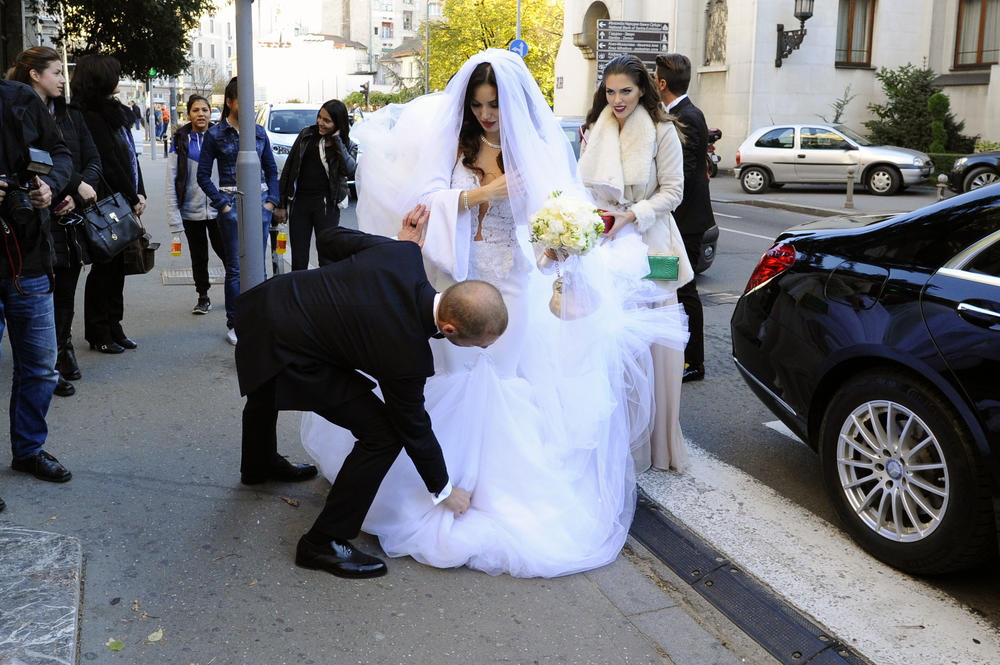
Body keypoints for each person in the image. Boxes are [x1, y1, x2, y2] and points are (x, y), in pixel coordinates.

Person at [300, 49, 686, 578]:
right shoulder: (457, 147)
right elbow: (426, 200)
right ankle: (439, 484)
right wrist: (485, 191)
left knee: (507, 384)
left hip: (516, 289)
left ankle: (498, 489)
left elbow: (552, 223)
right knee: (448, 379)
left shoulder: (538, 151)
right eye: (479, 105)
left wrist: (560, 245)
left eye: (494, 106)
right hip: (461, 285)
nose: (486, 115)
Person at [237, 207, 506, 578]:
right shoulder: (408, 354)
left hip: (266, 304)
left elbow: (329, 237)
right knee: (382, 435)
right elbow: (413, 426)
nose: (485, 350)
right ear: (448, 328)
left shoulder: (402, 254)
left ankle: (258, 464)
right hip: (288, 348)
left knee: (267, 383)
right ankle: (324, 542)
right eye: (480, 344)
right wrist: (445, 490)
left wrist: (382, 250)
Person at [578, 54, 693, 473]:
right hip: (605, 244)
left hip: (654, 245)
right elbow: (585, 188)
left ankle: (655, 444)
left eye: (625, 90)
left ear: (643, 88)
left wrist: (632, 214)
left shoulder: (663, 131)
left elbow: (673, 192)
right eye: (610, 91)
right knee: (608, 343)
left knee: (653, 346)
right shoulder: (595, 128)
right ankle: (615, 438)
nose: (617, 99)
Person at [7, 47, 103, 397]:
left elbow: (90, 160)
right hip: (25, 230)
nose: (64, 79)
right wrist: (65, 183)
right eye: (57, 72)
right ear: (34, 75)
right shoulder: (12, 111)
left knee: (63, 293)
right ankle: (47, 362)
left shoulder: (69, 115)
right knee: (37, 298)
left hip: (66, 222)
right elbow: (29, 164)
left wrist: (71, 193)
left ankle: (61, 352)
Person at [0, 77, 74, 484]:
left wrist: (49, 184)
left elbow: (58, 153)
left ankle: (27, 451)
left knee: (42, 368)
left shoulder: (20, 98)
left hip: (28, 259)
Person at [197, 76, 279, 346]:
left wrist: (271, 203)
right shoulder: (215, 134)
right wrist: (223, 205)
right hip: (231, 206)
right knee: (234, 268)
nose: (250, 105)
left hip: (260, 205)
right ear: (230, 102)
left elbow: (272, 169)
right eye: (243, 99)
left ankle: (262, 319)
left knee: (260, 266)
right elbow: (203, 176)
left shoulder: (258, 131)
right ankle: (235, 323)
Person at [72, 54, 145, 354]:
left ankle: (115, 326)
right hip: (104, 201)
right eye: (114, 74)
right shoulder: (90, 115)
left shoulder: (114, 112)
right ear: (101, 79)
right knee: (105, 267)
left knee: (118, 267)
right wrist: (132, 195)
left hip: (122, 198)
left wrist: (139, 192)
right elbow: (109, 163)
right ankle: (99, 331)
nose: (118, 78)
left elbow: (129, 156)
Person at [655, 53, 712, 383]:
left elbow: (685, 176)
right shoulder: (682, 113)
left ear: (662, 83)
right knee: (671, 288)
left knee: (684, 290)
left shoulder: (685, 117)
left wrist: (659, 209)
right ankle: (681, 356)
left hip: (685, 224)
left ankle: (693, 362)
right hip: (681, 223)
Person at [274, 98, 357, 270]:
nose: (320, 122)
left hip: (327, 206)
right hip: (300, 204)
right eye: (320, 117)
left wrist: (337, 142)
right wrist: (281, 204)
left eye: (327, 120)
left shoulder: (348, 145)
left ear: (338, 123)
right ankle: (299, 296)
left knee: (327, 258)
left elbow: (349, 170)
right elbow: (289, 169)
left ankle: (322, 295)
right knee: (299, 259)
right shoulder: (306, 135)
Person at [167, 94, 225, 314]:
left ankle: (235, 292)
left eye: (205, 110)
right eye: (196, 110)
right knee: (198, 257)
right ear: (189, 114)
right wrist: (174, 220)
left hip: (219, 209)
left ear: (211, 113)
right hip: (191, 210)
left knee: (228, 253)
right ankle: (203, 296)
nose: (201, 114)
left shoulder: (221, 137)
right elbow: (171, 181)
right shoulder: (180, 141)